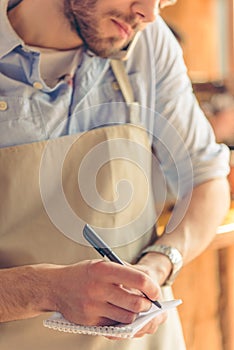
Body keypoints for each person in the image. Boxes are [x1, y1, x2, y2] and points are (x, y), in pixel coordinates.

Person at [0, 0, 230, 349]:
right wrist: (44, 290)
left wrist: (160, 263)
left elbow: (207, 179)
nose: (150, 13)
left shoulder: (148, 43)